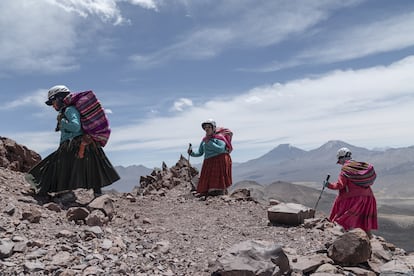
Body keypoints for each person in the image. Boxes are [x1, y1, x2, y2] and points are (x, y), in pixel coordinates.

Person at [25, 85, 120, 199]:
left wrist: (63, 122)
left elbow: (75, 127)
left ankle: (44, 192)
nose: (53, 106)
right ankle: (96, 193)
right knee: (91, 167)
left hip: (73, 145)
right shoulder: (68, 110)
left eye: (53, 101)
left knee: (53, 167)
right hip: (79, 144)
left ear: (59, 98)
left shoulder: (69, 110)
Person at [324, 147, 378, 238]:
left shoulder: (345, 169)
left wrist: (328, 185)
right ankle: (370, 240)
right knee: (364, 220)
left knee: (343, 220)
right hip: (368, 197)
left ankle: (346, 239)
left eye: (339, 160)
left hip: (353, 199)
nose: (340, 163)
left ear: (341, 158)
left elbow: (340, 185)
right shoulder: (359, 166)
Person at [188, 119, 232, 198]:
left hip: (219, 161)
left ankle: (217, 192)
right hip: (208, 162)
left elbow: (221, 149)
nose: (207, 129)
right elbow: (200, 152)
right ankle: (208, 192)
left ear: (213, 128)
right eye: (205, 127)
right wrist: (191, 153)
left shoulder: (219, 138)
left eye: (209, 127)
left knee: (216, 181)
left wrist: (210, 143)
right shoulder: (204, 140)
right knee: (208, 179)